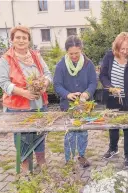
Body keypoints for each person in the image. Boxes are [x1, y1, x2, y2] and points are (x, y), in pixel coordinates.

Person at [0, 25, 52, 172]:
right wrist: (24, 93)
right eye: (18, 38)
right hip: (17, 106)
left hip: (39, 104)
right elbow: (3, 83)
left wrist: (45, 83)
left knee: (40, 132)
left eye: (24, 38)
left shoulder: (36, 56)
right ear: (12, 40)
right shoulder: (6, 59)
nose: (21, 41)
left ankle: (41, 160)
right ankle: (25, 164)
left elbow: (47, 73)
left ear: (28, 40)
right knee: (22, 137)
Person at [99, 32, 128, 168]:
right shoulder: (109, 56)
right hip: (112, 98)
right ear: (117, 47)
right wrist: (110, 87)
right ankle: (113, 149)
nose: (125, 52)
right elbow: (103, 75)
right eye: (122, 49)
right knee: (113, 126)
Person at [53, 35, 97, 168]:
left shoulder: (88, 64)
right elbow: (57, 85)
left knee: (83, 131)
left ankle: (81, 156)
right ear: (66, 52)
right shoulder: (61, 65)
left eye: (76, 53)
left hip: (85, 106)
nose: (74, 56)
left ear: (81, 50)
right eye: (71, 53)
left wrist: (86, 94)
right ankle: (69, 159)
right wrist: (68, 94)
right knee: (70, 133)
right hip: (67, 105)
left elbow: (93, 83)